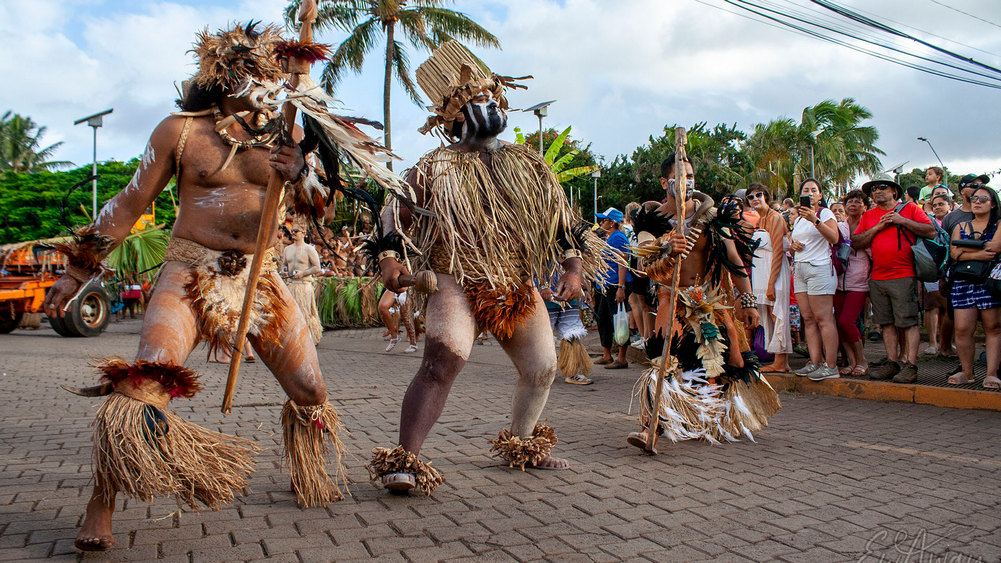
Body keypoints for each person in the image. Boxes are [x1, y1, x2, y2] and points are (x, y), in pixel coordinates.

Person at [42, 22, 399, 550]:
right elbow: (128, 203)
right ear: (222, 75)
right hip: (190, 271)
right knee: (144, 383)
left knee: (312, 392)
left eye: (267, 71)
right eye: (249, 71)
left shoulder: (289, 132)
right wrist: (76, 272)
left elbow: (318, 208)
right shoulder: (180, 132)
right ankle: (102, 501)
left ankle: (308, 471)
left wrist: (301, 172)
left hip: (263, 276)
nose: (261, 81)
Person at [366, 41, 614, 494]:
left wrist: (573, 269)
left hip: (514, 283)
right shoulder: (432, 168)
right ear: (455, 115)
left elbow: (565, 225)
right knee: (442, 363)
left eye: (491, 96)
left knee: (542, 367)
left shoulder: (529, 165)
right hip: (454, 280)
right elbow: (391, 216)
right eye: (474, 99)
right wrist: (388, 259)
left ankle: (522, 445)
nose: (488, 104)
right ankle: (404, 461)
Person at [626, 155, 777, 449]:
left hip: (708, 298)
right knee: (665, 361)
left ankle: (710, 417)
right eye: (680, 176)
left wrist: (747, 301)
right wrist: (667, 246)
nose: (687, 182)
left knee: (720, 360)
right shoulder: (651, 219)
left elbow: (734, 261)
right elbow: (645, 259)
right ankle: (650, 427)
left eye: (691, 176)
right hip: (672, 299)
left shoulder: (712, 217)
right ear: (664, 182)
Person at [852, 173, 936, 383]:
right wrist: (878, 227)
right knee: (886, 323)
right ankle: (892, 362)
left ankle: (911, 364)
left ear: (894, 191)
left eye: (882, 187)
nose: (877, 191)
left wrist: (902, 221)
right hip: (878, 275)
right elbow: (857, 241)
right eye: (873, 189)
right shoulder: (870, 215)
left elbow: (931, 231)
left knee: (908, 322)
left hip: (904, 274)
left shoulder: (910, 209)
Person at [947, 185, 1001, 389]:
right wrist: (978, 253)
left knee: (993, 327)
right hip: (963, 281)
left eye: (983, 199)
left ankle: (992, 373)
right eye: (975, 198)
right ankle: (966, 372)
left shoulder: (998, 225)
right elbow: (953, 253)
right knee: (962, 328)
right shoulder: (961, 226)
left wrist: (965, 250)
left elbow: (995, 248)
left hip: (989, 280)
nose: (977, 202)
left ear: (993, 203)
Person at [790, 178, 841, 381]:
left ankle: (831, 366)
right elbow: (796, 240)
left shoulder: (824, 213)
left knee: (823, 318)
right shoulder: (799, 218)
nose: (809, 193)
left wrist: (815, 219)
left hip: (819, 268)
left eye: (814, 190)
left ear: (820, 195)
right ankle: (815, 361)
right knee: (808, 319)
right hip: (801, 269)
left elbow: (834, 238)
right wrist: (793, 246)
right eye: (805, 190)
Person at [745, 183, 792, 372]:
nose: (755, 199)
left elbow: (778, 252)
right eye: (751, 197)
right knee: (769, 316)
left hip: (776, 271)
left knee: (777, 313)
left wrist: (772, 284)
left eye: (759, 195)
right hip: (763, 272)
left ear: (766, 196)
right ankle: (778, 359)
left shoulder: (775, 218)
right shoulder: (761, 220)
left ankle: (781, 361)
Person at [834, 190, 871, 377]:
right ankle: (851, 361)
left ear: (865, 206)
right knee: (839, 323)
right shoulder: (839, 226)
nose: (853, 204)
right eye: (850, 201)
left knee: (847, 321)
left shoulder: (869, 225)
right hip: (838, 280)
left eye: (858, 201)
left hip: (859, 280)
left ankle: (862, 360)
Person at [593, 207, 631, 370]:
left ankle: (622, 357)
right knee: (603, 318)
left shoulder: (618, 238)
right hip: (606, 285)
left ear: (612, 223)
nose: (601, 223)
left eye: (604, 220)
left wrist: (621, 287)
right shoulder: (611, 238)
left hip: (615, 284)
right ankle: (607, 354)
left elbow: (623, 262)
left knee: (618, 319)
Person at [541, 280, 593, 385]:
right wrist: (543, 286)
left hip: (570, 298)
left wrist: (585, 290)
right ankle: (540, 372)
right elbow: (530, 269)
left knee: (572, 333)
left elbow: (578, 270)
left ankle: (572, 372)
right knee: (542, 337)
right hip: (544, 300)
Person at [282, 221, 324, 344]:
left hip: (303, 285)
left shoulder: (309, 249)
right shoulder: (287, 249)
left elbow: (317, 267)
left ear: (304, 233)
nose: (293, 233)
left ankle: (309, 338)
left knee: (305, 312)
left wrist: (303, 273)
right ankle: (293, 338)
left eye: (296, 231)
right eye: (292, 231)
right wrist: (284, 271)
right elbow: (284, 265)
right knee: (291, 313)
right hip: (291, 285)